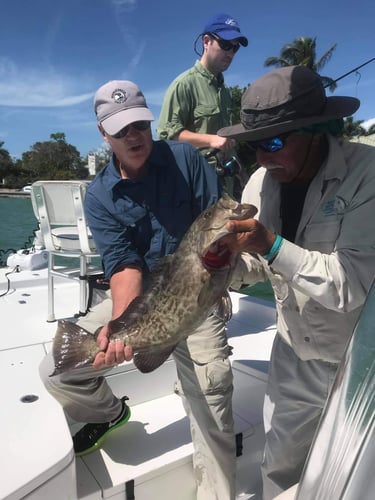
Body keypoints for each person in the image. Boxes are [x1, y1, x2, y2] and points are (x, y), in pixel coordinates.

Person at [39, 80, 237, 500]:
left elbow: (221, 230)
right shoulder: (99, 197)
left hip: (199, 298)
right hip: (144, 298)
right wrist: (120, 324)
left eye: (140, 126)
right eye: (121, 129)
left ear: (150, 123)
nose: (133, 136)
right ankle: (110, 414)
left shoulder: (187, 160)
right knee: (58, 371)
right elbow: (124, 265)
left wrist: (224, 255)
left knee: (213, 398)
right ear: (103, 134)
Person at [217, 65, 375, 499]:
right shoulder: (260, 182)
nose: (263, 157)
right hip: (292, 353)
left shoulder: (369, 175)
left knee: (350, 479)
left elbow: (350, 285)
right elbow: (256, 267)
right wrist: (224, 265)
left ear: (315, 130)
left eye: (273, 142)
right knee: (279, 466)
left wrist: (268, 244)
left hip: (356, 364)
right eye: (253, 146)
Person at [157, 13, 248, 198]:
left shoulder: (225, 92)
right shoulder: (184, 84)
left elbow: (228, 142)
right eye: (225, 45)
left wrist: (241, 172)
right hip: (196, 188)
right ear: (206, 41)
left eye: (235, 48)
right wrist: (210, 140)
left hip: (227, 187)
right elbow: (168, 135)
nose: (230, 53)